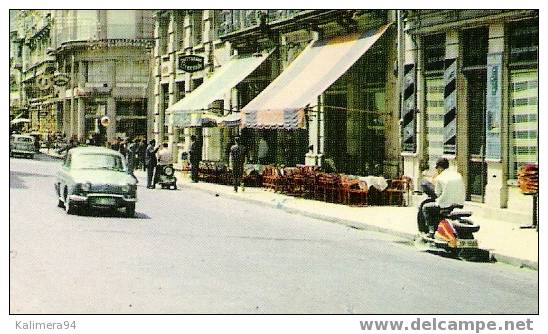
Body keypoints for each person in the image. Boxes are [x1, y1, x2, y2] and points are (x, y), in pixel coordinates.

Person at [421, 157, 466, 237]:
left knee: (426, 207)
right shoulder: (457, 174)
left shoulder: (440, 177)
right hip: (460, 203)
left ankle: (431, 232)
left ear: (440, 168)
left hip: (446, 205)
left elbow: (437, 193)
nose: (437, 170)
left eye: (437, 168)